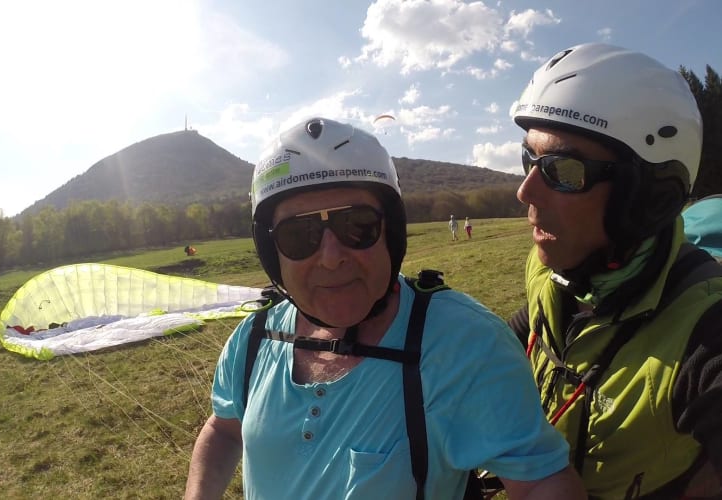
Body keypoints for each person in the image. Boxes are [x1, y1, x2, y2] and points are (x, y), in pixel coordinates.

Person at [185, 117, 585, 499]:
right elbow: (224, 429)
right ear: (272, 253)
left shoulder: (462, 342)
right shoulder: (254, 339)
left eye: (356, 226)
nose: (330, 257)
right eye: (300, 235)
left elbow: (538, 481)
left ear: (390, 233)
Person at [508, 42, 722, 499]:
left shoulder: (706, 334)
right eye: (528, 158)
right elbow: (524, 328)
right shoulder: (551, 268)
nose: (525, 193)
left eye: (562, 170)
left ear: (645, 197)